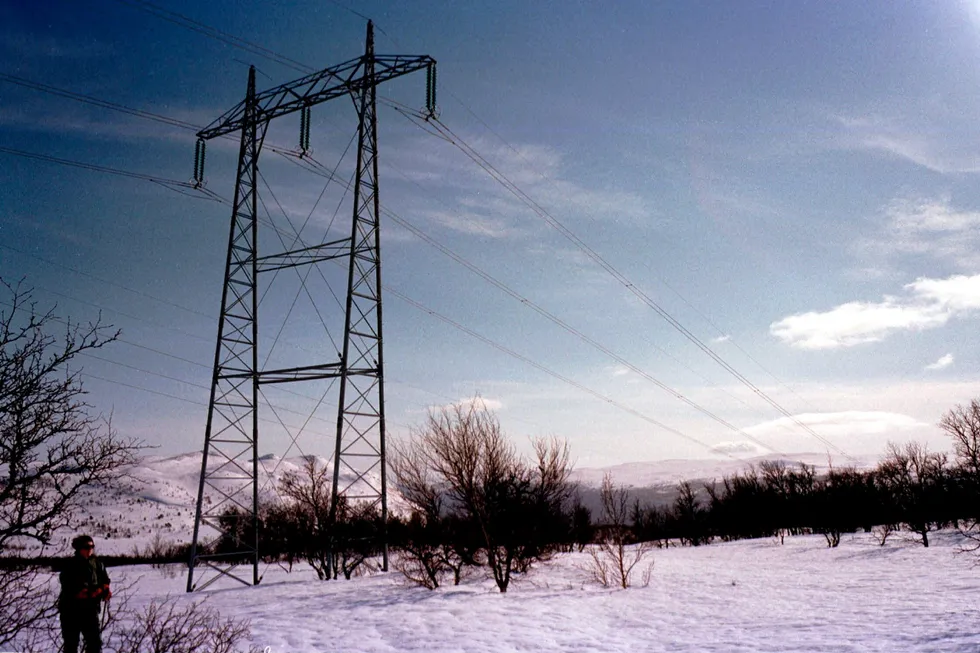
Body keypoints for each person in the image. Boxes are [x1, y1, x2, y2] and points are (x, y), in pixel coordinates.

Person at [58, 535, 111, 653]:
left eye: (92, 546)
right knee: (71, 645)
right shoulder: (70, 565)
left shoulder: (97, 564)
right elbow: (66, 584)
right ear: (79, 548)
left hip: (90, 609)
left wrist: (104, 591)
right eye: (87, 547)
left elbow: (105, 581)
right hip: (71, 610)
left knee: (95, 644)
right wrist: (81, 592)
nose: (90, 549)